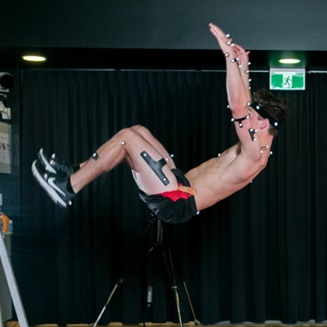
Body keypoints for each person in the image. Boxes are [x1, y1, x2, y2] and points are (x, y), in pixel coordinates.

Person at [31, 23, 288, 224]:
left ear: (264, 124)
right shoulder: (257, 144)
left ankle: (69, 188)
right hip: (178, 182)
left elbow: (237, 106)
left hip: (176, 201)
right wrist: (243, 68)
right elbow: (244, 103)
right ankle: (76, 170)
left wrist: (229, 58)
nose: (248, 117)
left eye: (254, 116)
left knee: (127, 140)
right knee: (136, 131)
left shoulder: (255, 154)